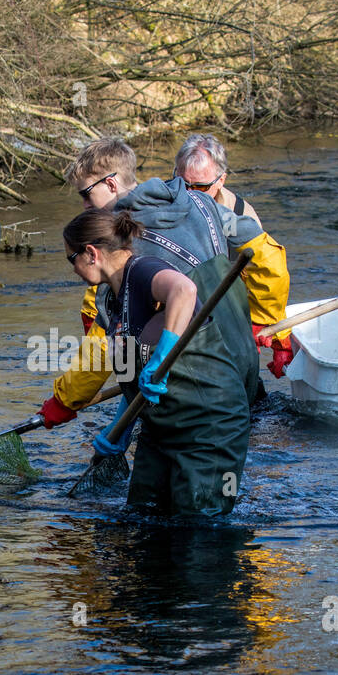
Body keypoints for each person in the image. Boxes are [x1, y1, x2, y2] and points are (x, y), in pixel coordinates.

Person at [38, 137, 259, 514]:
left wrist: (64, 400)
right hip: (212, 375)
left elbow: (176, 297)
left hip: (209, 399)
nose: (84, 204)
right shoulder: (196, 204)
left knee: (197, 535)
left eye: (85, 196)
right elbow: (136, 357)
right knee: (147, 518)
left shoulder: (135, 264)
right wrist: (118, 431)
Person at [64, 209, 250, 516]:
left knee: (201, 522)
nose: (73, 270)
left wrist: (163, 352)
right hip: (160, 428)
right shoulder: (110, 297)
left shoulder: (142, 270)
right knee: (143, 512)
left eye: (72, 259)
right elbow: (139, 378)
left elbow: (184, 289)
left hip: (209, 427)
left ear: (91, 253)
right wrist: (119, 431)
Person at [173, 133, 295, 382]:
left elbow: (265, 276)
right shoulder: (157, 204)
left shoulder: (242, 215)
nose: (190, 194)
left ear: (221, 180)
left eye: (201, 187)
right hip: (174, 307)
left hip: (223, 308)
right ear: (175, 172)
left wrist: (277, 332)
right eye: (184, 184)